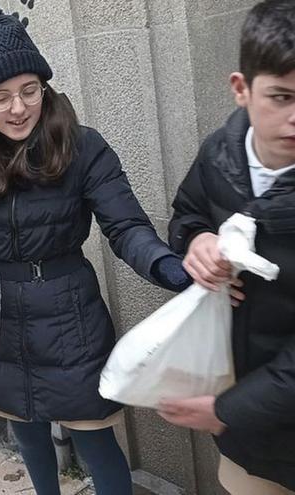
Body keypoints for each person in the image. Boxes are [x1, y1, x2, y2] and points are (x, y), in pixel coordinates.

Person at [0, 7, 191, 495]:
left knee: (96, 439)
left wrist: (169, 267)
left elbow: (126, 226)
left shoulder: (84, 147)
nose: (18, 108)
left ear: (44, 86)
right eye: (0, 97)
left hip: (70, 316)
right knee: (26, 432)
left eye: (29, 90)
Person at [160, 2, 295, 493]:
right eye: (281, 96)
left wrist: (224, 411)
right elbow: (187, 210)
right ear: (241, 88)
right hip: (249, 446)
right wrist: (196, 242)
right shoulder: (220, 153)